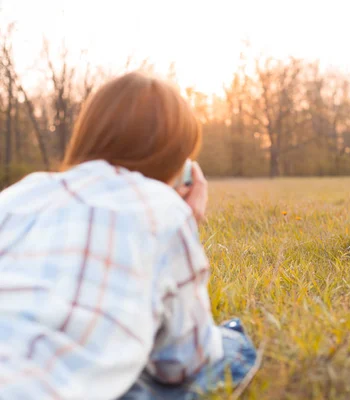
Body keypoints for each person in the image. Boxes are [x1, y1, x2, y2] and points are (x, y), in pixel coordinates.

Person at [0, 71, 256, 399]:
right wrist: (187, 219)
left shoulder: (22, 192)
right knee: (229, 348)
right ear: (179, 164)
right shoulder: (164, 209)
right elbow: (185, 361)